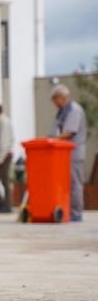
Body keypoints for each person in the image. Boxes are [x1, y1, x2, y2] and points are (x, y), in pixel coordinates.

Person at [49, 84, 87, 222]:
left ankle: (76, 214)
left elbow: (69, 132)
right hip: (64, 154)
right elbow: (56, 130)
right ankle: (67, 210)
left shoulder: (74, 110)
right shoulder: (62, 111)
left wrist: (52, 140)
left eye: (55, 100)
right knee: (67, 183)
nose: (54, 103)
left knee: (75, 184)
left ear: (61, 97)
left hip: (74, 153)